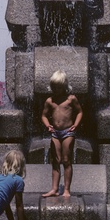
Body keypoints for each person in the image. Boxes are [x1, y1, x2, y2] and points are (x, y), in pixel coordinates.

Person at [41, 70, 83, 198]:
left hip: (67, 132)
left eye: (58, 87)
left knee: (66, 160)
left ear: (64, 86)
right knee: (56, 160)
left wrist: (75, 124)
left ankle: (66, 190)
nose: (56, 89)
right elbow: (43, 115)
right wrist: (48, 125)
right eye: (54, 87)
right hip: (55, 133)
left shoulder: (71, 99)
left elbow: (80, 112)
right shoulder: (49, 101)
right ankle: (54, 189)